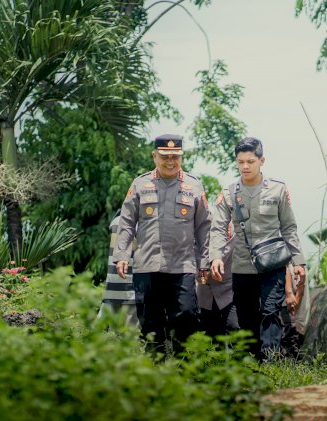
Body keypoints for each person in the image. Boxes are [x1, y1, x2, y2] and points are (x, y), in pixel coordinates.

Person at [113, 134, 211, 355]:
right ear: (154, 155)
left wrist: (204, 261)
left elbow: (204, 226)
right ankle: (155, 372)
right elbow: (127, 222)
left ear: (181, 156)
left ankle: (184, 371)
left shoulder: (194, 186)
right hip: (147, 266)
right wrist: (122, 255)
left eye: (175, 156)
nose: (170, 161)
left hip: (182, 266)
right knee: (151, 324)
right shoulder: (140, 184)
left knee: (186, 316)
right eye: (165, 156)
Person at [210, 137, 306, 360]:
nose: (245, 166)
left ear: (262, 161)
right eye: (240, 161)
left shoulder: (277, 190)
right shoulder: (229, 193)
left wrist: (298, 261)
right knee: (246, 317)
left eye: (250, 161)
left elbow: (289, 227)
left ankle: (270, 362)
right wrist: (215, 257)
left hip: (273, 265)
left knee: (270, 311)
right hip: (242, 266)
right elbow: (217, 228)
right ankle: (251, 366)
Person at [97, 211, 139, 329]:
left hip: (112, 286)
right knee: (131, 333)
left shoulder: (116, 221)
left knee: (114, 334)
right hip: (130, 287)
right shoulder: (137, 224)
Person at [196, 222, 239, 337]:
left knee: (234, 327)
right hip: (206, 292)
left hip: (229, 291)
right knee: (211, 334)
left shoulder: (238, 236)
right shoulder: (202, 239)